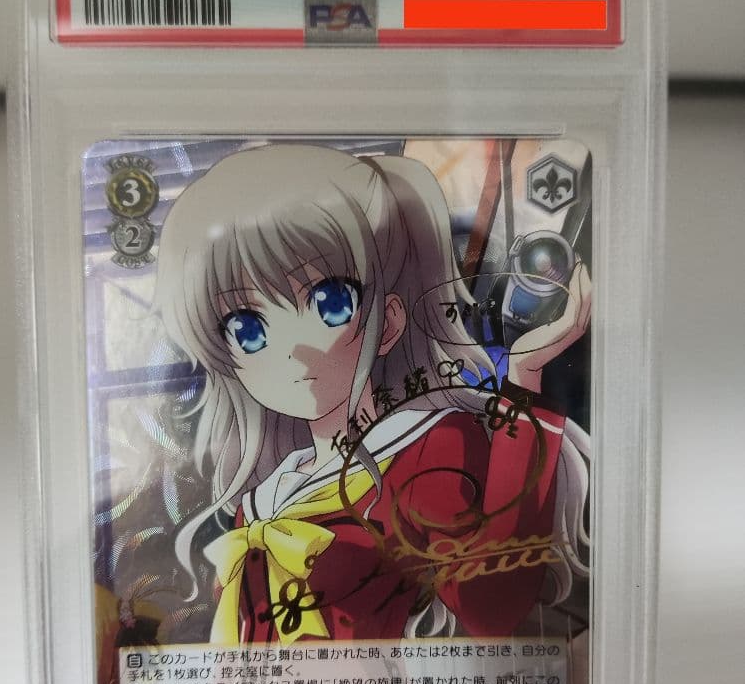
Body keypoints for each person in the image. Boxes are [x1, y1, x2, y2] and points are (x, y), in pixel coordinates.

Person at [153, 143, 590, 645]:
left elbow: (491, 607)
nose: (292, 350)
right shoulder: (262, 500)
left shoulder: (424, 448)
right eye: (247, 327)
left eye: (329, 302)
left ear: (390, 322)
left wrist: (524, 383)